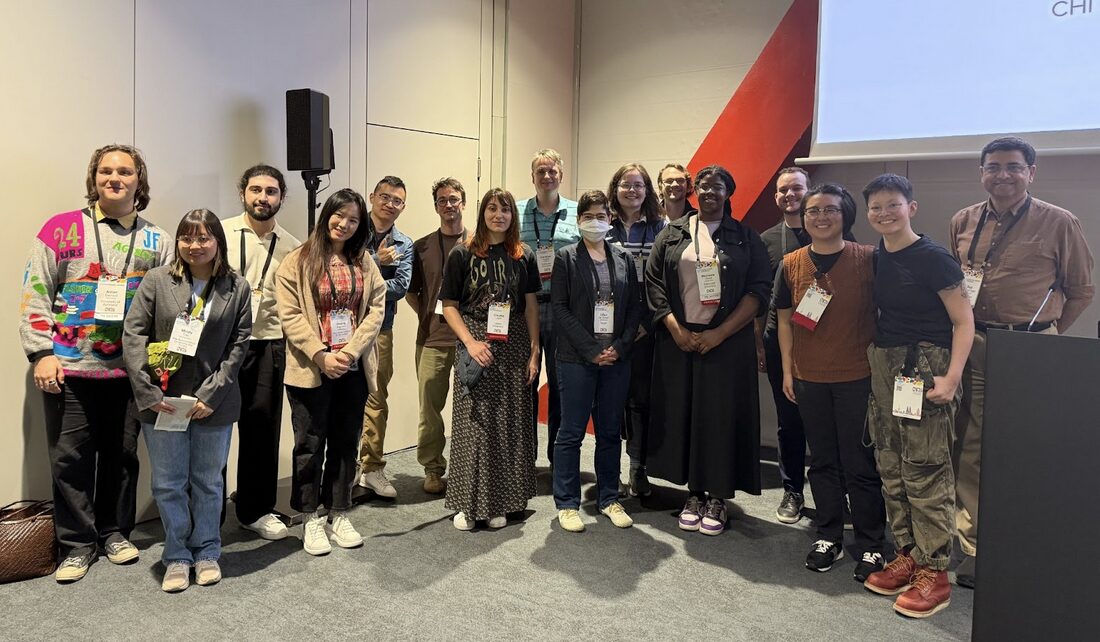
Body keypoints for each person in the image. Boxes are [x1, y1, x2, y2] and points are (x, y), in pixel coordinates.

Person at [20, 144, 172, 583]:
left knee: (123, 456)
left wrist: (160, 369)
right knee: (70, 458)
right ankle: (77, 544)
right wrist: (41, 353)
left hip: (130, 372)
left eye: (125, 171)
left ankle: (114, 532)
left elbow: (166, 310)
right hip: (69, 367)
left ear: (139, 180)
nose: (115, 178)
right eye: (106, 171)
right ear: (94, 178)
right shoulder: (61, 229)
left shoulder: (157, 240)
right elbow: (35, 290)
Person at [949, 136, 1094, 588]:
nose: (1003, 175)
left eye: (1013, 167)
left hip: (1033, 347)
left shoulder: (1059, 221)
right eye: (993, 167)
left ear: (1031, 172)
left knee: (1026, 446)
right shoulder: (963, 220)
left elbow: (1081, 290)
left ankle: (1024, 538)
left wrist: (1046, 339)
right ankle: (974, 547)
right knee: (970, 445)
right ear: (982, 173)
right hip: (975, 344)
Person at [859, 174, 973, 617]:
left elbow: (964, 321)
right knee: (891, 464)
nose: (884, 213)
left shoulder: (933, 258)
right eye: (876, 207)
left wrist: (951, 379)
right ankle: (908, 554)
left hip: (926, 367)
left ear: (912, 207)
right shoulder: (878, 257)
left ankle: (935, 571)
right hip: (886, 366)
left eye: (893, 204)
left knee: (926, 468)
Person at [123, 209, 251, 592]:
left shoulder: (237, 286)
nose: (195, 246)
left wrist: (211, 394)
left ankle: (208, 550)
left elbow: (238, 345)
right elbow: (133, 336)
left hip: (214, 401)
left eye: (203, 238)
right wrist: (149, 392)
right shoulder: (158, 280)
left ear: (217, 242)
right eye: (187, 238)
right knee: (168, 482)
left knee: (209, 481)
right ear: (178, 242)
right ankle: (177, 554)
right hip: (163, 401)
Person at [645, 164, 771, 537]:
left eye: (718, 186)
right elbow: (654, 284)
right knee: (685, 416)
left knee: (719, 420)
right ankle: (694, 494)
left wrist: (721, 333)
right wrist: (675, 328)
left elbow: (758, 291)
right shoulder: (674, 233)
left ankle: (718, 496)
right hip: (679, 339)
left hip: (726, 343)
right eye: (703, 185)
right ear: (693, 191)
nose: (710, 192)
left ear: (729, 193)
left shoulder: (746, 237)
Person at [776, 183, 886, 580]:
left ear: (847, 216)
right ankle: (828, 535)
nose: (821, 217)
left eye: (830, 210)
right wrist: (788, 371)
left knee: (859, 462)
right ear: (803, 218)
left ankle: (872, 542)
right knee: (821, 461)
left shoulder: (869, 259)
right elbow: (786, 320)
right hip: (808, 378)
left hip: (857, 376)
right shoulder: (791, 263)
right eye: (813, 211)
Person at [275, 188, 386, 556]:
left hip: (352, 368)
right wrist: (321, 355)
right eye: (340, 216)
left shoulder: (364, 261)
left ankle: (339, 511)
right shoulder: (298, 260)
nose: (345, 224)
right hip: (312, 368)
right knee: (309, 444)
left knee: (344, 442)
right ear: (327, 216)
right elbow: (289, 314)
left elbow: (376, 309)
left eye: (354, 220)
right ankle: (309, 517)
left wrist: (351, 351)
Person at [440, 188, 541, 530]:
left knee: (508, 423)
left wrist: (534, 351)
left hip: (513, 344)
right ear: (482, 213)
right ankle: (467, 505)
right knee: (475, 424)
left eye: (506, 210)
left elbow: (530, 307)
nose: (499, 215)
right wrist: (469, 342)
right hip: (475, 341)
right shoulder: (462, 253)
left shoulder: (523, 254)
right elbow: (449, 307)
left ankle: (503, 501)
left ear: (513, 216)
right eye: (492, 209)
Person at [551, 190, 644, 532]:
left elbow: (635, 308)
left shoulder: (623, 259)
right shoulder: (566, 258)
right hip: (577, 358)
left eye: (600, 215)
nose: (595, 221)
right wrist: (591, 349)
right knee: (571, 432)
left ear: (610, 218)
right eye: (588, 216)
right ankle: (567, 503)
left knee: (608, 432)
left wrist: (619, 347)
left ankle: (608, 497)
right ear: (579, 221)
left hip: (616, 359)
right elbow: (559, 308)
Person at [222, 164, 300, 540]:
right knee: (213, 428)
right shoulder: (218, 232)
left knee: (262, 429)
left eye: (271, 191)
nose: (262, 198)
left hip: (268, 342)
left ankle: (255, 508)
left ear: (281, 198)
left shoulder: (292, 246)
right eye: (256, 190)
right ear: (243, 193)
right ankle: (209, 512)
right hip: (219, 345)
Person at [605, 163, 666, 497]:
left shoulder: (661, 227)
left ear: (647, 190)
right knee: (610, 402)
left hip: (646, 328)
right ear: (615, 188)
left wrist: (645, 323)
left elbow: (664, 280)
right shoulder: (604, 225)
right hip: (609, 326)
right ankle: (609, 471)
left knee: (639, 402)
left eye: (639, 185)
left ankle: (637, 470)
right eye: (626, 184)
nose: (632, 190)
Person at [756, 167, 812, 524]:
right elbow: (759, 298)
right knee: (789, 420)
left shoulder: (830, 229)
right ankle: (793, 491)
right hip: (779, 342)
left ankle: (832, 491)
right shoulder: (766, 241)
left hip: (825, 345)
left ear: (809, 191)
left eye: (796, 188)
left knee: (827, 423)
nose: (789, 195)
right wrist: (760, 345)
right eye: (782, 190)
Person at [406, 177, 468, 494]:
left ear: (464, 203)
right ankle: (433, 468)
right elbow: (412, 292)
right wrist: (428, 316)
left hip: (471, 341)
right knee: (430, 409)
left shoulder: (478, 244)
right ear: (436, 207)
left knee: (472, 408)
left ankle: (468, 467)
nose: (448, 205)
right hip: (431, 340)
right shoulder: (422, 247)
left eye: (454, 199)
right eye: (442, 200)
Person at [517, 149, 579, 464]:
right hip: (524, 308)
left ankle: (557, 455)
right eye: (540, 171)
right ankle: (525, 458)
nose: (546, 176)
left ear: (561, 175)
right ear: (533, 177)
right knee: (524, 381)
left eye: (552, 171)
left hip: (562, 309)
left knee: (559, 383)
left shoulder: (577, 212)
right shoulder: (515, 211)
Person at [356, 176, 413, 499]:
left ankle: (373, 467)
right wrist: (377, 262)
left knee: (376, 398)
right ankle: (344, 468)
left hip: (380, 329)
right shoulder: (351, 229)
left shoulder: (404, 244)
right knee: (344, 398)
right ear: (372, 197)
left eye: (397, 201)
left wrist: (364, 284)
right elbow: (337, 272)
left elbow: (400, 288)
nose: (390, 204)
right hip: (343, 329)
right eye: (385, 197)